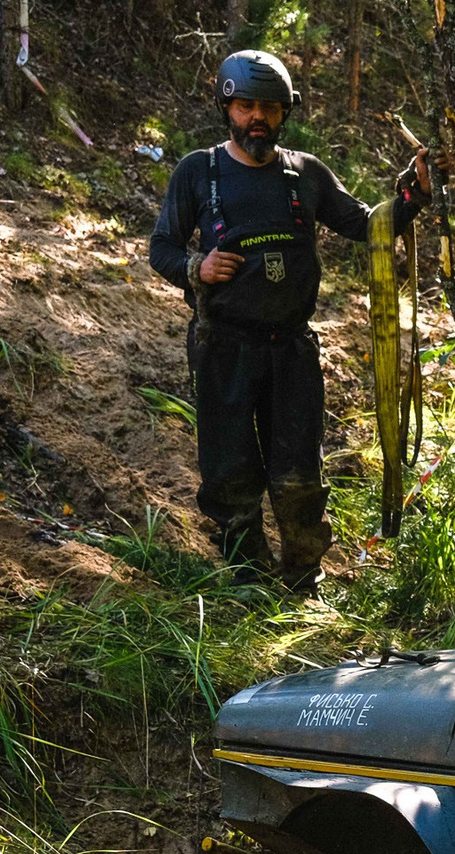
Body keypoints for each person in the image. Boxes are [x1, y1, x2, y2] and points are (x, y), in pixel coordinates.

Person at [149, 50, 430, 590]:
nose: (259, 117)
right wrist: (196, 267)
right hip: (223, 347)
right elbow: (161, 246)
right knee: (230, 475)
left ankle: (303, 579)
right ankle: (249, 585)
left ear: (286, 112)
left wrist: (411, 196)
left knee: (299, 471)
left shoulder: (305, 175)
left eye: (271, 108)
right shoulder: (197, 172)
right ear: (226, 107)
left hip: (292, 350)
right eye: (247, 105)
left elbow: (366, 226)